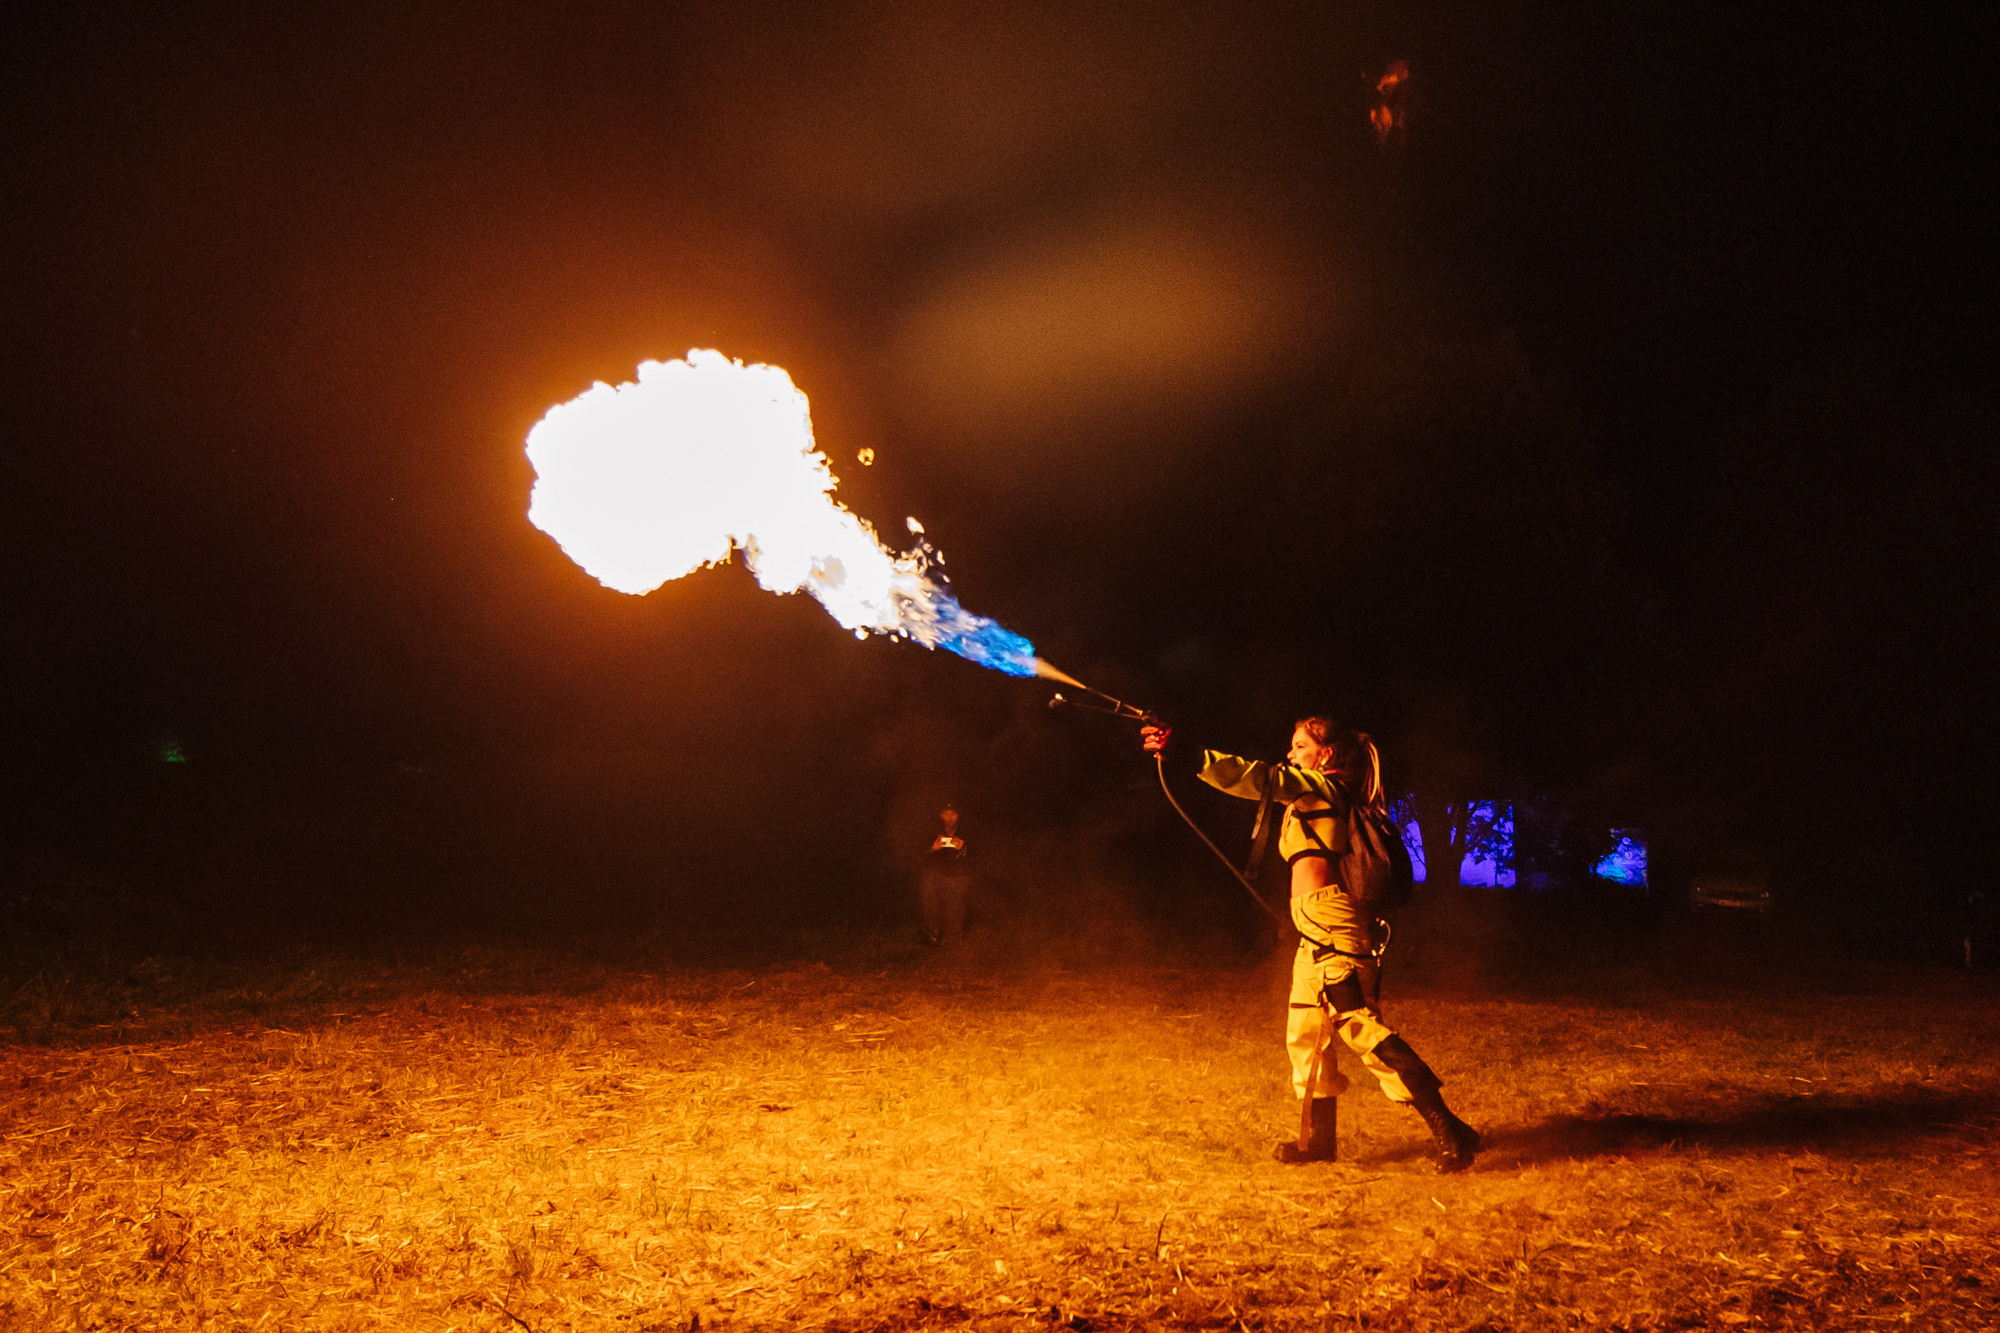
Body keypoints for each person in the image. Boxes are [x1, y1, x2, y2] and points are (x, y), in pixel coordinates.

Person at [1142, 716, 1480, 1172]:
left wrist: (1188, 753)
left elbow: (1258, 777)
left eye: (1299, 745)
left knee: (1358, 1025)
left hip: (1335, 926)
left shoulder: (1326, 788)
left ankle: (1450, 1128)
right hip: (1312, 930)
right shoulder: (1313, 793)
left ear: (1325, 755)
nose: (1290, 753)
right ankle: (1319, 1143)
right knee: (1305, 1035)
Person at [920, 804, 970, 945]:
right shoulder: (932, 832)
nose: (949, 818)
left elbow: (974, 858)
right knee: (929, 896)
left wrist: (962, 849)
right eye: (945, 814)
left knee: (956, 900)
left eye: (953, 814)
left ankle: (954, 937)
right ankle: (932, 936)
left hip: (957, 876)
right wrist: (932, 849)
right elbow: (921, 856)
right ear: (940, 816)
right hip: (936, 875)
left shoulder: (966, 832)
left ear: (958, 816)